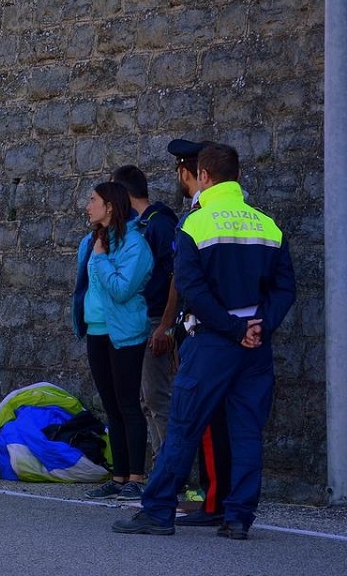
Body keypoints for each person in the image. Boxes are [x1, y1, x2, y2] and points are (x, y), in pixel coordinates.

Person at [113, 143, 296, 539]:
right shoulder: (268, 225)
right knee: (246, 430)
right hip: (256, 345)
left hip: (213, 342)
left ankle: (158, 511)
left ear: (205, 176)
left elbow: (192, 289)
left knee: (183, 425)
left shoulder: (195, 224)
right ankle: (237, 518)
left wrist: (231, 329)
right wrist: (259, 326)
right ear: (238, 176)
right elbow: (285, 289)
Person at [162, 138, 233, 527]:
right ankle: (221, 498)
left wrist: (170, 326)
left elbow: (186, 281)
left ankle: (211, 501)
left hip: (206, 330)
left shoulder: (198, 217)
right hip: (235, 330)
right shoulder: (241, 214)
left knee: (203, 421)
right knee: (225, 420)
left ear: (191, 173)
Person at [71, 181, 154, 502]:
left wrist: (102, 259)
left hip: (125, 334)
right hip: (96, 332)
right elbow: (84, 288)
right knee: (111, 407)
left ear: (110, 206)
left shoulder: (135, 244)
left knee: (129, 405)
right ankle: (118, 477)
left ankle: (136, 477)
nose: (87, 206)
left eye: (93, 200)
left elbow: (122, 289)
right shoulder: (90, 242)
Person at [110, 165, 179, 464]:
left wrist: (165, 325)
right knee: (143, 399)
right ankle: (159, 464)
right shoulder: (138, 226)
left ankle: (170, 469)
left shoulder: (159, 225)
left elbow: (177, 276)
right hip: (139, 321)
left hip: (155, 320)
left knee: (156, 396)